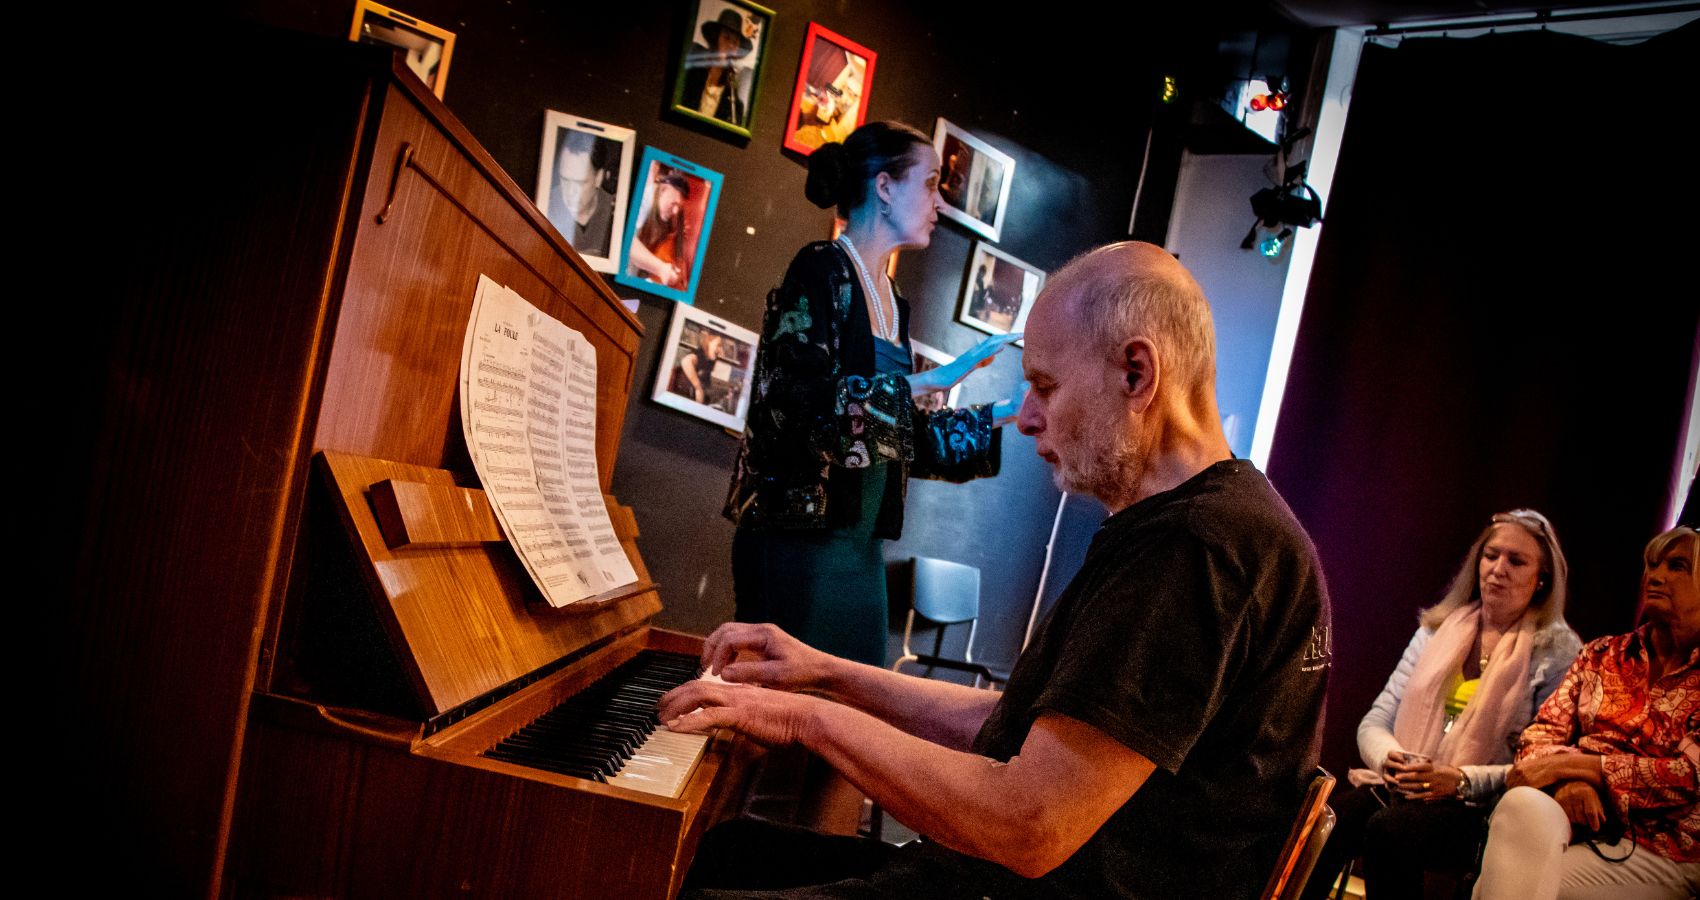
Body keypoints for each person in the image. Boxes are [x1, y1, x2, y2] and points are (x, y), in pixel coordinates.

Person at [668, 241, 1332, 898]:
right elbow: (1019, 725)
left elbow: (1028, 825)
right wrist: (825, 673)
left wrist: (800, 719)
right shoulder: (1210, 525)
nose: (1026, 418)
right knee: (728, 851)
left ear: (1136, 374)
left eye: (1044, 385)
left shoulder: (1200, 547)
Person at [723, 121, 1015, 668]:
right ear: (884, 188)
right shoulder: (820, 268)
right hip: (798, 542)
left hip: (859, 550)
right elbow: (798, 407)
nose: (939, 202)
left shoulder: (892, 298)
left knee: (852, 714)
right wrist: (928, 381)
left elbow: (898, 433)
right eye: (929, 184)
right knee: (784, 721)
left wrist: (1011, 412)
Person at [1301, 510, 1583, 900]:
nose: (1498, 568)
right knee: (1329, 820)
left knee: (1391, 830)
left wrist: (1461, 780)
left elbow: (1537, 764)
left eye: (1516, 561)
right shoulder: (1437, 627)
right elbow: (1376, 721)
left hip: (1482, 807)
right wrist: (1394, 760)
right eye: (1491, 555)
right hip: (1406, 786)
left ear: (1542, 580)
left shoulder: (1557, 651)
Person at [1471, 525, 1700, 900]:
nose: (1656, 576)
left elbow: (1688, 777)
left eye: (1677, 566)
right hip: (1579, 821)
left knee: (1511, 883)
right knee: (1521, 803)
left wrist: (1582, 768)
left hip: (1666, 845)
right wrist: (1569, 784)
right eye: (1652, 565)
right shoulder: (1603, 654)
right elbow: (1538, 737)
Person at [546, 129, 616, 259]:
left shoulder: (616, 213)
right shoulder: (544, 206)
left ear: (599, 177)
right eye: (565, 180)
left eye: (579, 183)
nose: (570, 193)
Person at [681, 9, 754, 127]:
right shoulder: (690, 74)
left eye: (735, 42)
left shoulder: (734, 103)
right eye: (726, 37)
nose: (730, 45)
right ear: (716, 39)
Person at [628, 168, 690, 289]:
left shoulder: (669, 217)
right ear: (663, 190)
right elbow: (627, 243)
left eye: (679, 206)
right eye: (673, 204)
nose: (675, 211)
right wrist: (662, 269)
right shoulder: (645, 198)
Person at [672, 330, 725, 405]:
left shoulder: (710, 360)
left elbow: (706, 385)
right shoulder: (696, 356)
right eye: (719, 345)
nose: (721, 350)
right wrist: (698, 387)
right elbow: (686, 361)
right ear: (708, 342)